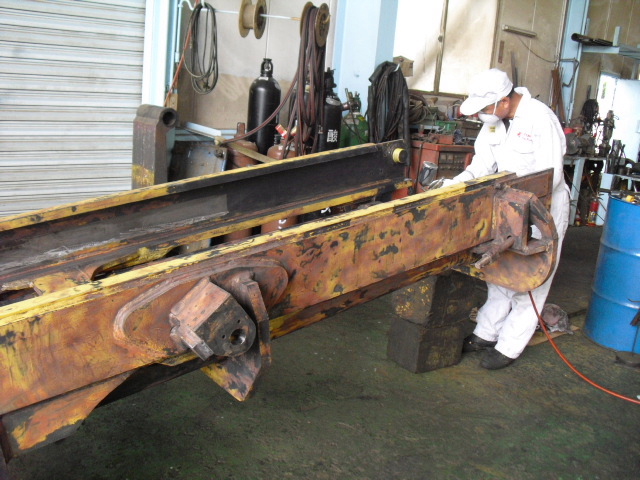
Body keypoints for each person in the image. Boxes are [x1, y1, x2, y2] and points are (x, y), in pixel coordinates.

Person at [449, 68, 570, 369]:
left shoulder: (540, 118)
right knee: (500, 270)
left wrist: (520, 207)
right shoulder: (494, 123)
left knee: (532, 276)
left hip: (543, 208)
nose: (482, 115)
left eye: (485, 108)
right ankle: (486, 332)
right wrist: (454, 185)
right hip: (507, 206)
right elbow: (482, 164)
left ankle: (509, 346)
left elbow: (551, 176)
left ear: (504, 101)